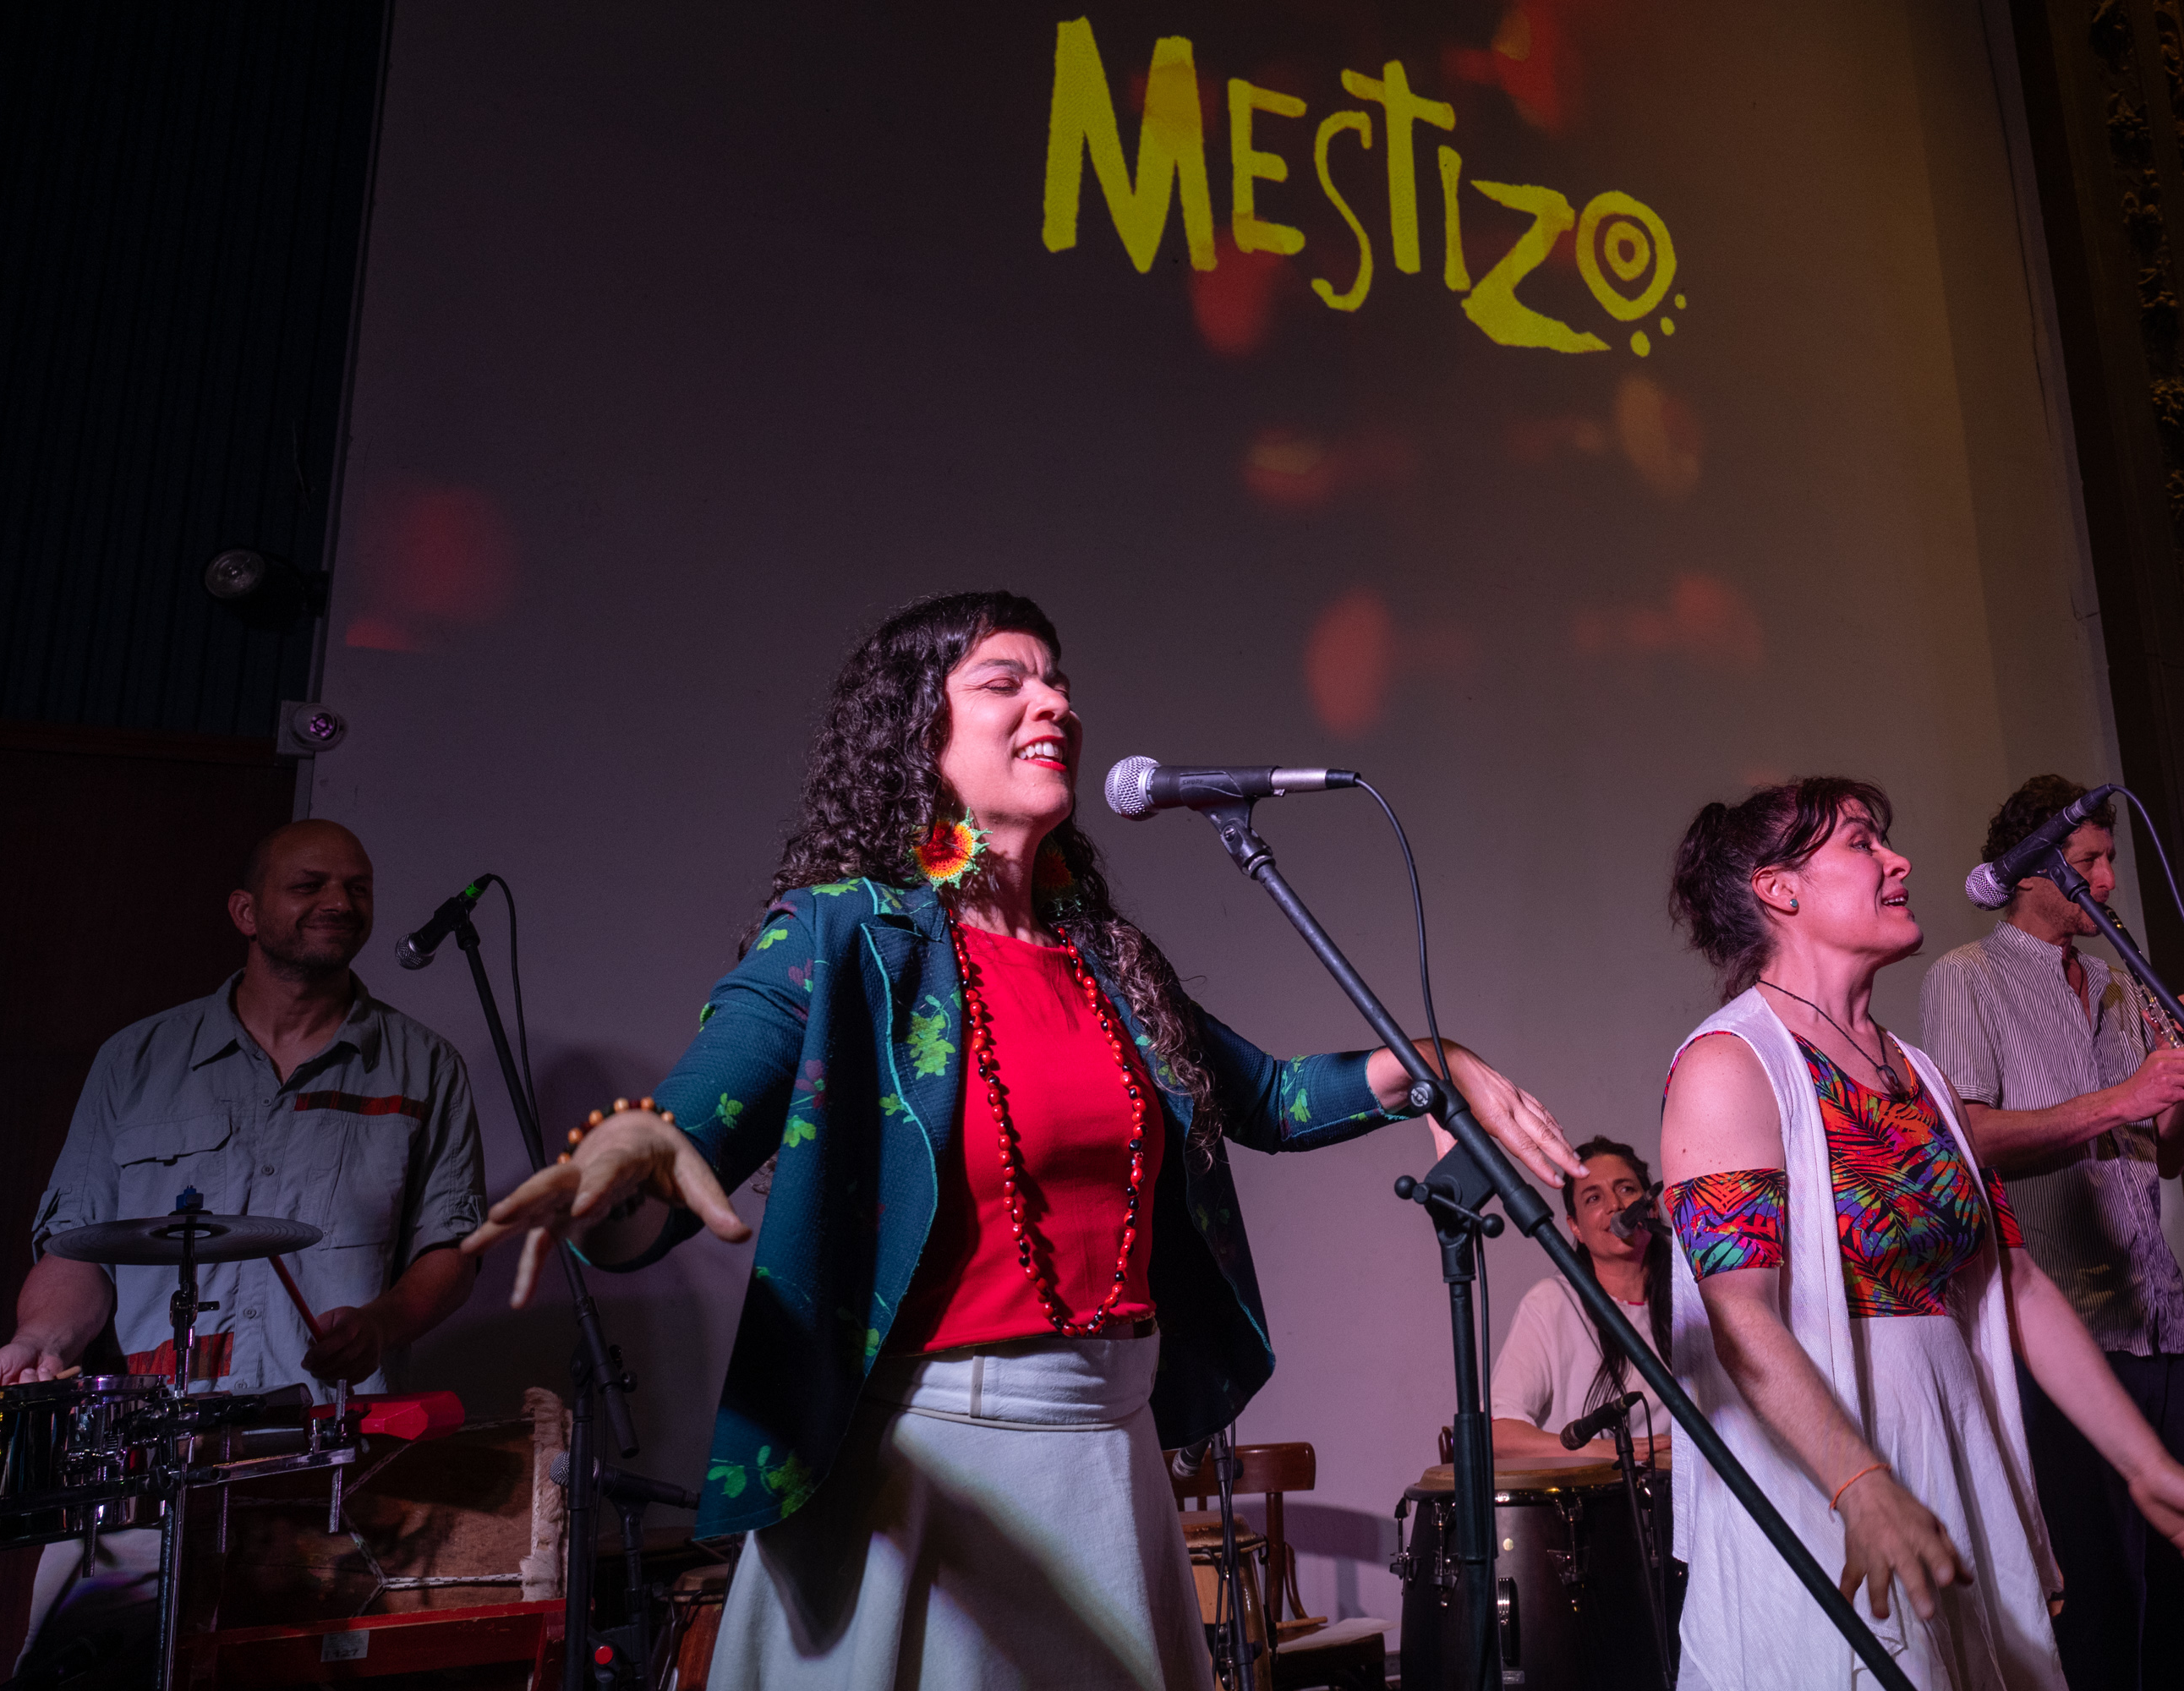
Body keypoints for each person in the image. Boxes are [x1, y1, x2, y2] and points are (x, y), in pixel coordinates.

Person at [462, 591, 1581, 1691]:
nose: (1052, 701)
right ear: (918, 731)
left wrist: (1438, 1059)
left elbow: (1277, 1100)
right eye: (1005, 681)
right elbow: (716, 1087)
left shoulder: (1109, 965)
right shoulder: (850, 931)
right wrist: (642, 1143)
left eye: (1059, 681)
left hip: (1112, 1447)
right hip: (934, 1466)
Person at [1657, 778, 2184, 1690]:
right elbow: (1739, 1315)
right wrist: (1858, 1480)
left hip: (1949, 1435)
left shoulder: (1921, 1073)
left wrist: (2145, 1465)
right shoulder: (1728, 1063)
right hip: (1824, 1461)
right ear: (1779, 889)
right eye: (1863, 843)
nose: (1898, 859)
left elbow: (2013, 1281)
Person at [0, 818, 487, 1684]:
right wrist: (39, 1342)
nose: (339, 900)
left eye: (357, 886)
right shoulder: (135, 1060)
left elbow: (451, 1247)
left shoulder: (424, 1066)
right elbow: (78, 1250)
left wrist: (381, 1319)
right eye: (311, 883)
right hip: (146, 1461)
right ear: (246, 910)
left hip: (328, 1461)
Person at [1919, 775, 2184, 1691]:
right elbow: (1966, 1136)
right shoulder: (1967, 976)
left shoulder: (2120, 985)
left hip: (2160, 1319)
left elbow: (2165, 1157)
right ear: (2032, 871)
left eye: (2109, 860)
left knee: (2178, 1598)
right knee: (2100, 1598)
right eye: (2089, 861)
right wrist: (2127, 1096)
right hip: (2062, 1337)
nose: (2107, 879)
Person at [1489, 1136, 1672, 1464]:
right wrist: (1608, 1453)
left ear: (1652, 1207)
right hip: (1588, 1508)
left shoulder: (1694, 1303)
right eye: (1593, 1198)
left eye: (1627, 1189)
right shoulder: (1552, 1303)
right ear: (1575, 1228)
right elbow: (1499, 1435)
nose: (1615, 1205)